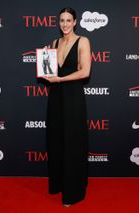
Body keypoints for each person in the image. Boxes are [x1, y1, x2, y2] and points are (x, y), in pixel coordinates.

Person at [43, 7, 91, 207]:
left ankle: (73, 192)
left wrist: (60, 78)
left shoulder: (83, 41)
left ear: (75, 22)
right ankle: (59, 184)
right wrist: (45, 61)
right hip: (55, 97)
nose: (64, 24)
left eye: (68, 20)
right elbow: (50, 73)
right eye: (61, 20)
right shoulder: (55, 43)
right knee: (56, 140)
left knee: (72, 142)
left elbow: (85, 72)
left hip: (73, 97)